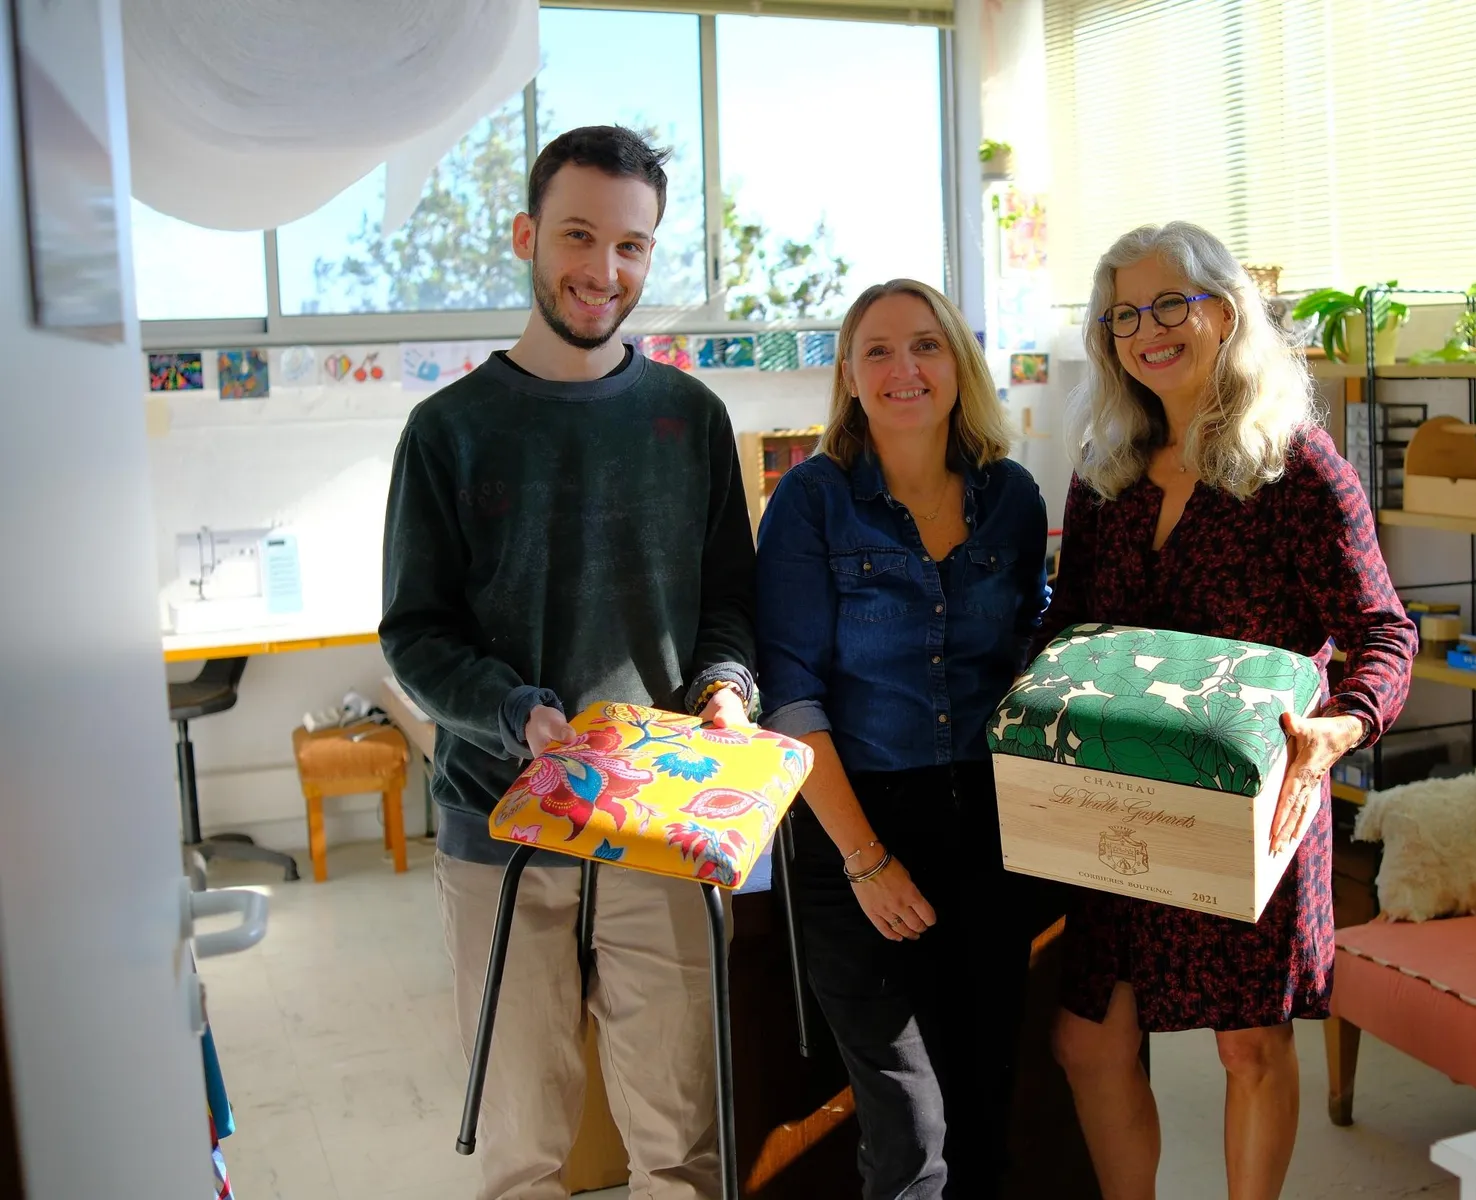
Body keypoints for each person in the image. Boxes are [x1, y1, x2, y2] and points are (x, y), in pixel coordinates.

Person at [380, 125, 756, 1200]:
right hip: (501, 832)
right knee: (523, 1156)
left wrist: (726, 688)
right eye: (579, 236)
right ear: (526, 236)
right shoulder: (447, 431)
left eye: (631, 246)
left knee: (682, 1152)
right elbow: (414, 632)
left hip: (659, 831)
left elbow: (729, 606)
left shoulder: (692, 419)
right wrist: (518, 715)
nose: (604, 270)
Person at [1041, 223, 1417, 1200]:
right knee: (1090, 1040)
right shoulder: (1105, 468)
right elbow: (1067, 622)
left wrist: (1342, 728)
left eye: (1170, 303)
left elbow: (1384, 632)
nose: (1147, 330)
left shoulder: (1298, 466)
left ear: (1225, 311)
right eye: (1123, 314)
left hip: (1258, 800)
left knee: (1249, 1046)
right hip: (1124, 801)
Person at [754, 279, 1050, 1199]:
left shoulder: (1012, 497)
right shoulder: (812, 500)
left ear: (958, 362)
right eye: (876, 350)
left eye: (925, 344)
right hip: (854, 830)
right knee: (910, 1132)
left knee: (985, 1110)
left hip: (988, 833)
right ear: (849, 374)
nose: (903, 368)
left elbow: (1033, 658)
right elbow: (790, 696)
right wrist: (866, 859)